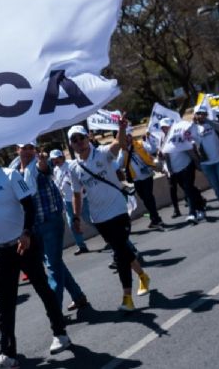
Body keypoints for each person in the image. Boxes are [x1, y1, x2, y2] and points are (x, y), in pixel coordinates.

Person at [0, 152, 72, 369]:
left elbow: (29, 205)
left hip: (24, 244)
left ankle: (60, 333)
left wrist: (26, 233)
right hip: (1, 251)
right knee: (6, 303)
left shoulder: (10, 175)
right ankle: (8, 354)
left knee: (43, 288)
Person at [68, 122, 151, 312]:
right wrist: (76, 218)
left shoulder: (103, 153)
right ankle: (143, 276)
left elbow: (119, 143)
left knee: (120, 254)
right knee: (121, 250)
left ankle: (127, 298)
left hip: (118, 211)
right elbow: (76, 194)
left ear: (88, 137)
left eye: (81, 137)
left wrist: (121, 128)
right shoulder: (73, 168)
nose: (79, 142)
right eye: (74, 140)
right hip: (99, 217)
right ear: (71, 145)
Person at [12, 142, 89, 312]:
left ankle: (54, 312)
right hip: (33, 225)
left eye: (31, 148)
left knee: (53, 267)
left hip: (50, 221)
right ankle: (78, 296)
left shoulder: (38, 165)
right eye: (23, 148)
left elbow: (44, 169)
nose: (27, 151)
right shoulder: (15, 171)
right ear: (17, 149)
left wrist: (42, 162)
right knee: (55, 263)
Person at [156, 118, 205, 224]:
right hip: (174, 169)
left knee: (188, 189)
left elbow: (190, 145)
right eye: (163, 127)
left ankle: (193, 213)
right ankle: (200, 206)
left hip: (187, 165)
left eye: (166, 127)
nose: (165, 129)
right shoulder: (162, 140)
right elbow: (161, 155)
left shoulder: (180, 133)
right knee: (189, 189)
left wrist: (197, 162)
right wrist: (160, 156)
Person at [118, 131, 165, 227]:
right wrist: (123, 151)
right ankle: (154, 218)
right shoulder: (122, 151)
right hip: (136, 179)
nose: (127, 139)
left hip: (147, 175)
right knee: (144, 198)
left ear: (131, 136)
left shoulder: (140, 144)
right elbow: (119, 164)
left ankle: (156, 218)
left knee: (149, 197)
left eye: (128, 136)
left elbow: (152, 149)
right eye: (124, 138)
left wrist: (149, 139)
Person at [50, 149, 93, 251]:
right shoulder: (55, 170)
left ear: (62, 157)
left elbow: (81, 176)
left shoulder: (71, 164)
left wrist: (83, 188)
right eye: (53, 159)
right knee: (72, 224)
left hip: (80, 198)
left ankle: (107, 236)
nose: (56, 161)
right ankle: (81, 246)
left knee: (89, 219)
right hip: (68, 201)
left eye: (57, 158)